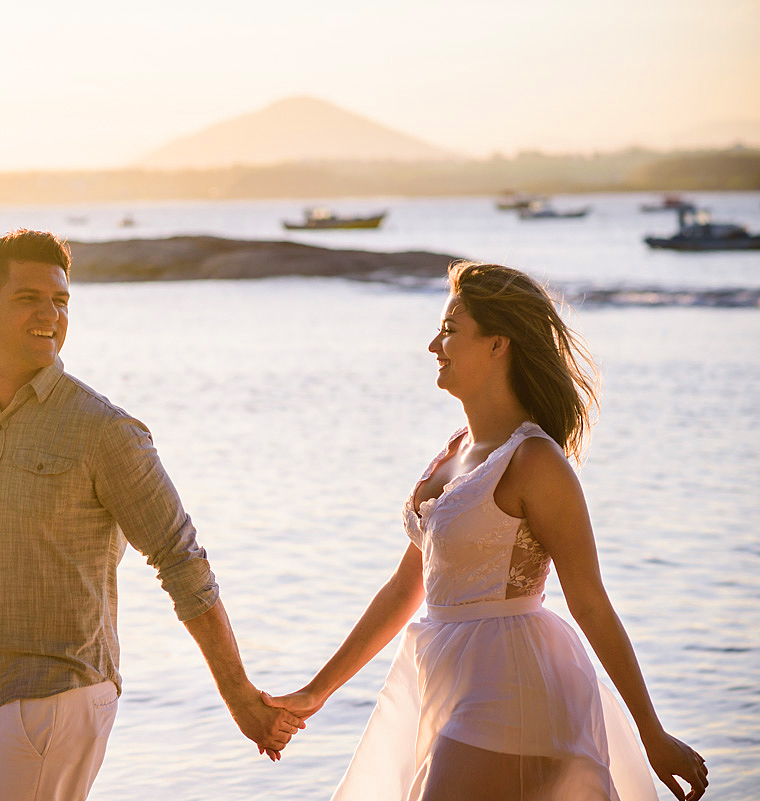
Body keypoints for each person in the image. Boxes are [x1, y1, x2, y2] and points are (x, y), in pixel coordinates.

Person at [0, 229, 302, 801]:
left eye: (60, 301)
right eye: (29, 298)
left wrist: (238, 696)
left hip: (57, 699)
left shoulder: (103, 430)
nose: (50, 315)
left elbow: (180, 559)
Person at [265, 261, 708, 801]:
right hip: (446, 675)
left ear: (498, 344)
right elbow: (407, 588)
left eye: (450, 330)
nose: (434, 345)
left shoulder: (536, 462)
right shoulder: (454, 451)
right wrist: (316, 692)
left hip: (512, 683)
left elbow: (590, 603)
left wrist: (652, 734)